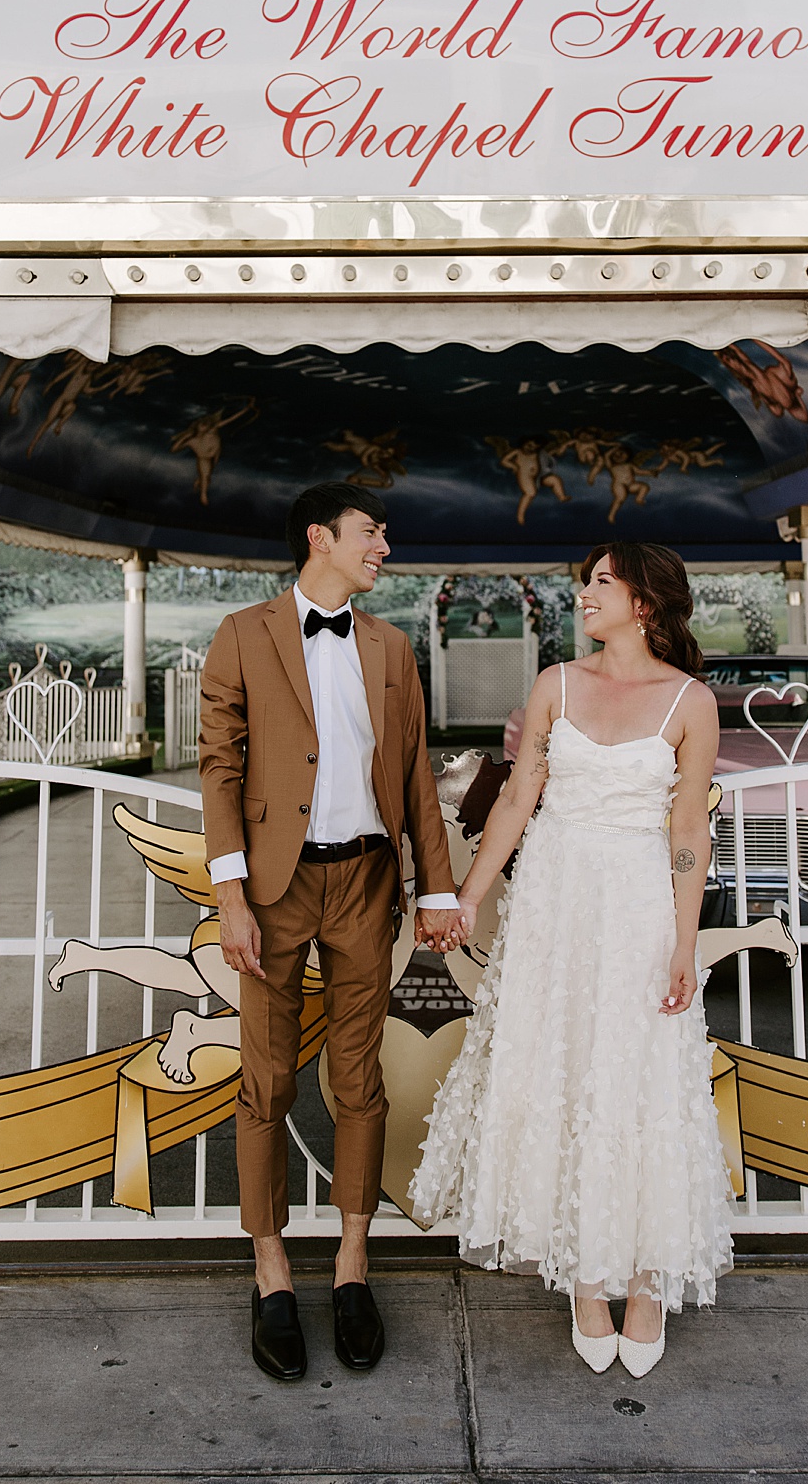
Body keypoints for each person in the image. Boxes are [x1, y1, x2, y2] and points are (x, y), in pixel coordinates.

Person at [411, 541, 733, 1378]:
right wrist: (471, 895)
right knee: (566, 1071)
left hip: (636, 904)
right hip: (555, 900)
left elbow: (689, 831)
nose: (585, 593)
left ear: (646, 603)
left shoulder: (691, 703)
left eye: (600, 581)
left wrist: (682, 942)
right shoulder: (555, 683)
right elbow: (519, 797)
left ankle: (645, 1274)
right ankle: (589, 1277)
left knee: (638, 1076)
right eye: (586, 580)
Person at [199, 481, 461, 1382]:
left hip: (367, 883)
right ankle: (271, 1269)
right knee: (265, 1075)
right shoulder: (242, 634)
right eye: (371, 533)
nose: (383, 546)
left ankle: (353, 1262)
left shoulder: (390, 646)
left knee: (359, 1076)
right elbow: (219, 768)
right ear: (322, 537)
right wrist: (230, 895)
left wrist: (437, 890)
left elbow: (418, 775)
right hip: (273, 890)